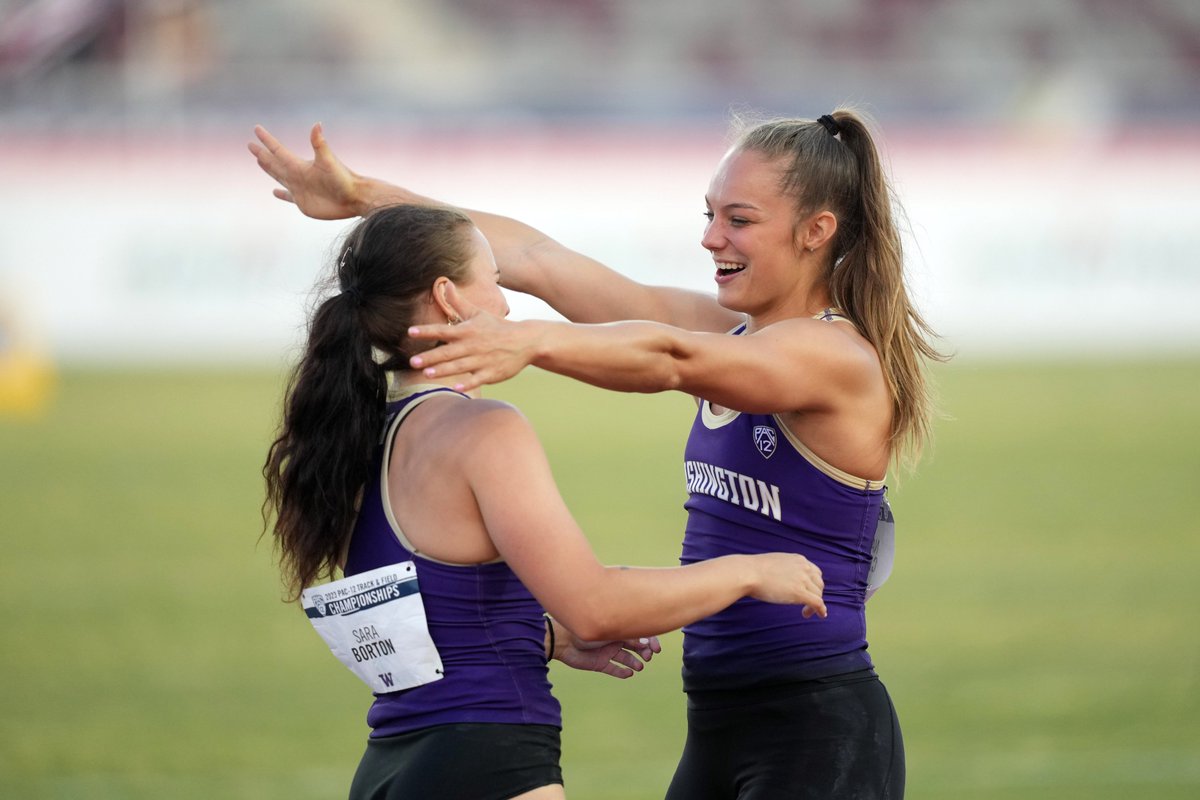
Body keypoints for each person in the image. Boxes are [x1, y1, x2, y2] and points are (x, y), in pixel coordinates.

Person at [250, 108, 945, 799]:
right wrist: (365, 199)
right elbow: (534, 261)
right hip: (719, 719)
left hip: (821, 727)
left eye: (738, 219)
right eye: (709, 213)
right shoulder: (734, 331)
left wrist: (533, 341)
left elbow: (668, 358)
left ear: (816, 231)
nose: (710, 238)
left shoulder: (835, 355)